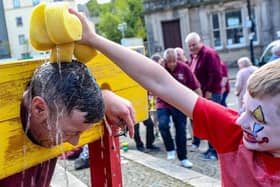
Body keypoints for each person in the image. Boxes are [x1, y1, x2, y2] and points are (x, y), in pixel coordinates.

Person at [72, 9, 280, 186]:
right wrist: (94, 39)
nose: (241, 119)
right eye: (244, 108)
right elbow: (161, 82)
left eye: (258, 118)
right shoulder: (234, 133)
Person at [0, 60, 135, 186]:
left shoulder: (57, 114)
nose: (75, 143)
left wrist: (105, 95)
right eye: (69, 133)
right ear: (39, 109)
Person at [156, 48, 201, 168]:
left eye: (174, 61)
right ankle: (170, 149)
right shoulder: (160, 68)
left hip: (180, 102)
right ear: (164, 60)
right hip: (163, 102)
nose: (171, 64)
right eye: (169, 62)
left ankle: (183, 157)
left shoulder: (184, 69)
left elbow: (195, 85)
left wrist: (201, 102)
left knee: (181, 129)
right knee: (163, 125)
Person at [185, 32, 223, 160]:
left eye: (194, 44)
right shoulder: (195, 56)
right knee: (207, 122)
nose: (191, 48)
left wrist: (209, 92)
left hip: (211, 93)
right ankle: (210, 149)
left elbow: (216, 74)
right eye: (189, 46)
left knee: (212, 122)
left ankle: (214, 151)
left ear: (200, 42)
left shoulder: (208, 54)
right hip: (202, 93)